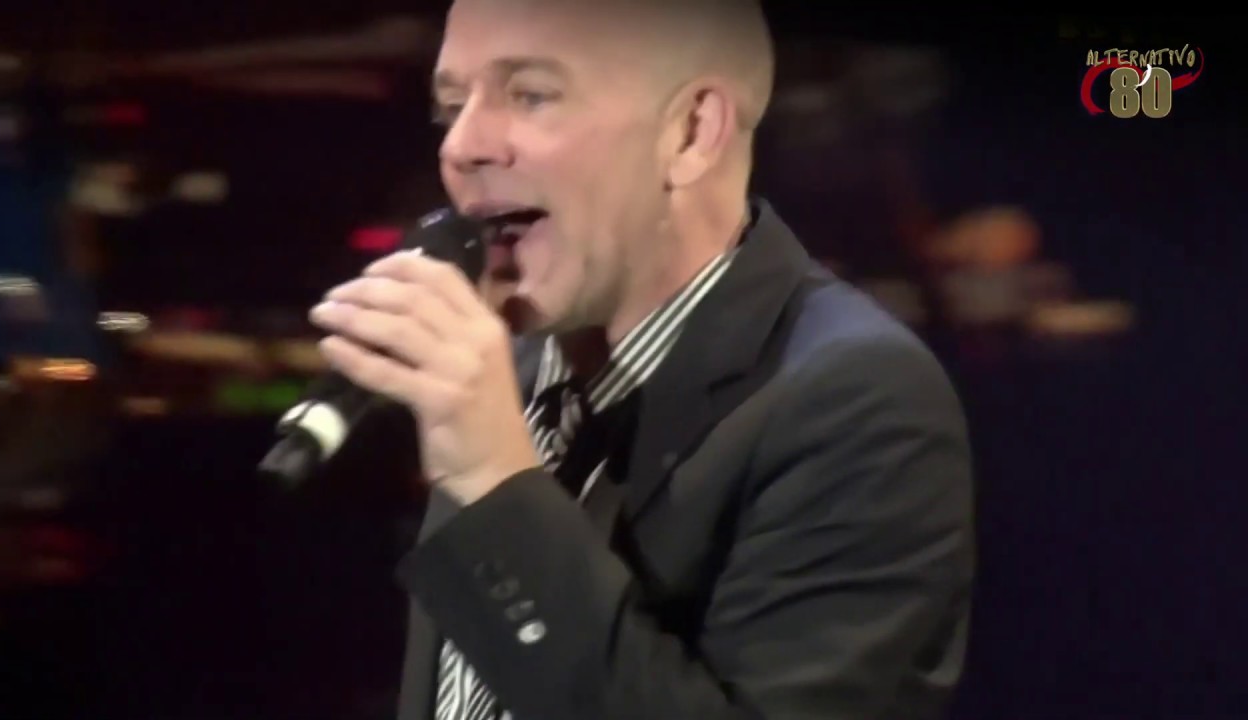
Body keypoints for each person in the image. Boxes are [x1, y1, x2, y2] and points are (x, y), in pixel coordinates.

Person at [306, 0, 974, 717]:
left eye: (530, 95)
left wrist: (494, 485)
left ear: (691, 133)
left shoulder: (859, 401)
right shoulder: (506, 373)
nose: (461, 146)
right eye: (450, 107)